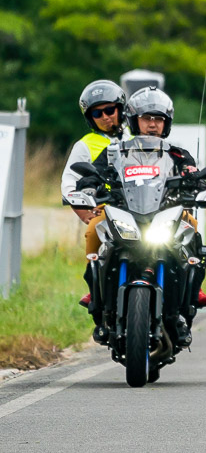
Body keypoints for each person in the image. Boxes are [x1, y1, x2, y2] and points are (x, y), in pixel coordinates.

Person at [89, 87, 206, 344]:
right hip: (126, 213)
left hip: (165, 214)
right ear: (134, 120)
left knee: (192, 226)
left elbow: (194, 173)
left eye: (158, 119)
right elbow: (94, 173)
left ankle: (195, 289)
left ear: (166, 123)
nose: (152, 124)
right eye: (147, 118)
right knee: (94, 227)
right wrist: (89, 185)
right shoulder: (115, 151)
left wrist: (199, 185)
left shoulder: (177, 153)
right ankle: (95, 292)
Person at [63, 80, 127, 316]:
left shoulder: (137, 135)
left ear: (121, 108)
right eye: (98, 113)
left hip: (143, 204)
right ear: (90, 117)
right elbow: (69, 182)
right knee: (92, 232)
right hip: (107, 208)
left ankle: (191, 287)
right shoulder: (85, 145)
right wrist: (84, 211)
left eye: (110, 110)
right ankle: (95, 287)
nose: (106, 117)